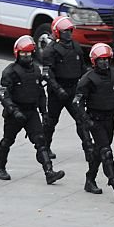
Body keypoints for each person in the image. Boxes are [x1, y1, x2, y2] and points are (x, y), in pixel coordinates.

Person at [0, 36, 65, 184]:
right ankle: (0, 167)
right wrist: (14, 111)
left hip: (31, 111)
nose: (26, 57)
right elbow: (3, 95)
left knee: (41, 141)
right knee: (7, 141)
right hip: (15, 113)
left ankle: (49, 172)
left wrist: (44, 112)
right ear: (17, 54)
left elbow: (40, 93)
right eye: (23, 54)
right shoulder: (10, 72)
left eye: (29, 54)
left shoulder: (35, 70)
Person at [72, 43, 114, 200]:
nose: (104, 63)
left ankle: (90, 179)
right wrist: (86, 121)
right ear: (94, 61)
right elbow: (77, 102)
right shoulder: (87, 79)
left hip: (109, 119)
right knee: (106, 151)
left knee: (100, 151)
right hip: (95, 120)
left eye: (106, 59)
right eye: (101, 60)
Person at [38, 16, 88, 160]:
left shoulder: (76, 46)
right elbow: (48, 73)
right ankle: (45, 148)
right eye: (65, 31)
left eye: (70, 30)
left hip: (73, 89)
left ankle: (89, 148)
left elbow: (83, 67)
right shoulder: (50, 50)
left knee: (81, 119)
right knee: (51, 121)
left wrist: (87, 83)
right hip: (57, 92)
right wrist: (58, 89)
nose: (68, 33)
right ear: (58, 32)